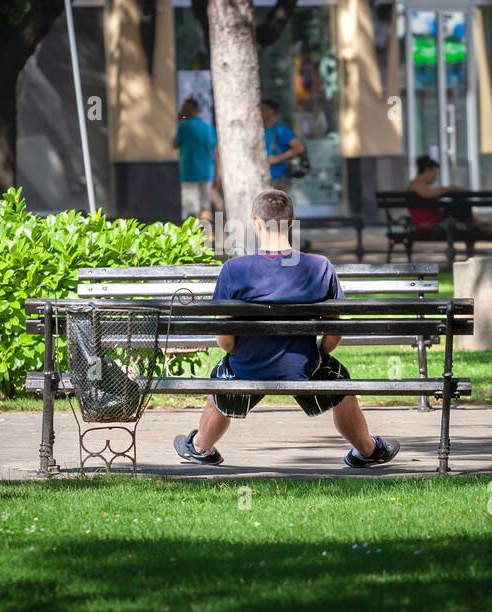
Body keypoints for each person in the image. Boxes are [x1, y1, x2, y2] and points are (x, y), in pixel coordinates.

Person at [172, 189, 401, 469]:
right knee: (341, 382)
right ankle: (368, 450)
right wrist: (319, 352)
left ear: (256, 222)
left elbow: (226, 341)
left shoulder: (235, 270)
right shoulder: (319, 267)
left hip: (247, 366)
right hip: (303, 367)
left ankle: (199, 447)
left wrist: (242, 352)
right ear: (291, 221)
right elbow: (334, 333)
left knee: (222, 377)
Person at [173, 97, 219, 220]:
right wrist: (217, 174)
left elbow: (175, 144)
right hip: (207, 172)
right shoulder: (208, 127)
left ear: (191, 109)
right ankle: (207, 233)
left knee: (191, 207)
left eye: (184, 109)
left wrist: (179, 122)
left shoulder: (184, 126)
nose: (182, 111)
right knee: (205, 205)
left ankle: (193, 235)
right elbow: (215, 151)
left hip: (189, 172)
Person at [405, 155, 465, 232]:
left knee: (459, 202)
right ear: (427, 170)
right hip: (428, 223)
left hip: (432, 221)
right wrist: (451, 188)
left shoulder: (417, 185)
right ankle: (473, 222)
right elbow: (428, 194)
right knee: (459, 203)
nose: (435, 178)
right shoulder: (417, 185)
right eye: (435, 174)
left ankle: (472, 221)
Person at [261, 99, 305, 192]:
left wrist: (278, 158)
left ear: (272, 111)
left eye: (264, 109)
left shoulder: (281, 130)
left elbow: (299, 148)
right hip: (262, 176)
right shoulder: (259, 130)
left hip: (279, 176)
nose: (261, 112)